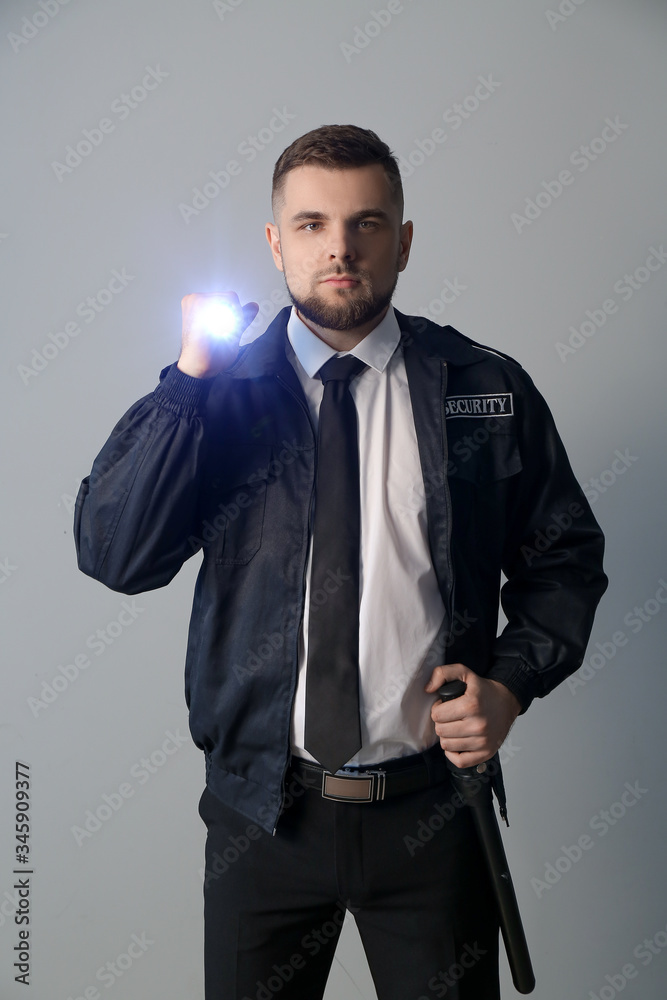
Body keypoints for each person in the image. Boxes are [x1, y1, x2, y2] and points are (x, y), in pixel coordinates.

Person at [74, 124, 607, 1000]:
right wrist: (185, 384)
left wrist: (508, 686)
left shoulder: (482, 389)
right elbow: (115, 555)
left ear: (402, 240)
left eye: (366, 223)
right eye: (313, 224)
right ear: (277, 242)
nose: (340, 248)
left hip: (434, 814)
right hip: (263, 818)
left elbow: (565, 561)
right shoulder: (216, 396)